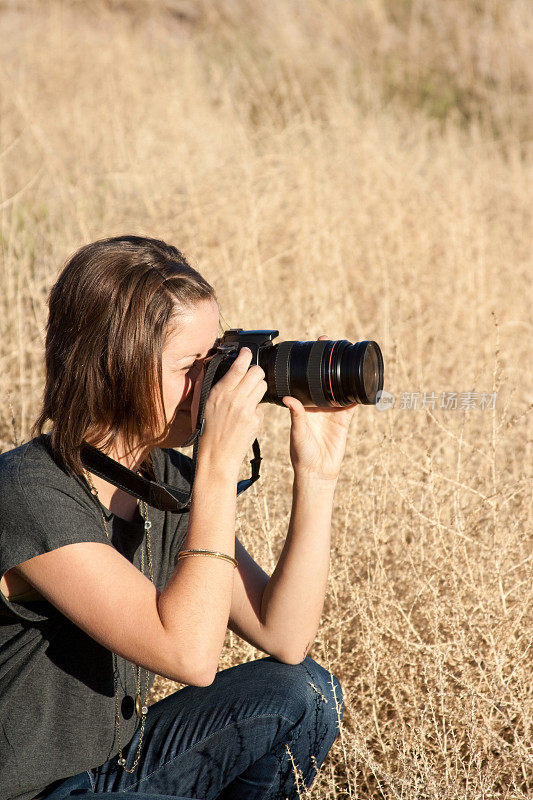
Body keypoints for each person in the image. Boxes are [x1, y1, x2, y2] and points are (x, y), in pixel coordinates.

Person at [0, 235, 356, 800]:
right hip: (37, 792)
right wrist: (216, 470)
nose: (211, 386)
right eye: (193, 367)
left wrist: (316, 475)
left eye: (216, 357)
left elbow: (284, 636)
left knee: (306, 692)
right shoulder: (28, 493)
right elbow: (189, 656)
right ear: (115, 366)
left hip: (116, 770)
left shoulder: (163, 477)